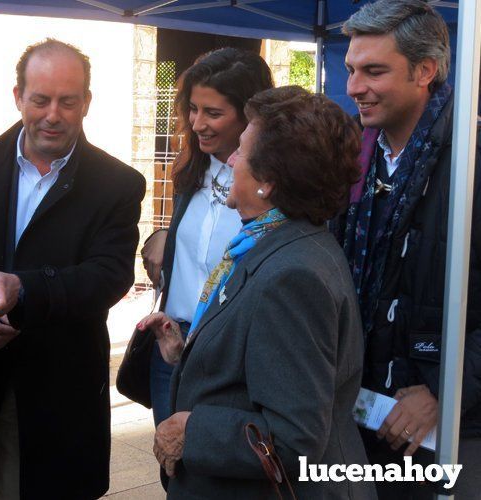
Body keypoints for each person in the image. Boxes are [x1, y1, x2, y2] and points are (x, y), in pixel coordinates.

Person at [137, 86, 375, 499]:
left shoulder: (293, 275)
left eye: (242, 152)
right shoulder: (275, 243)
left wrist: (191, 430)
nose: (229, 160)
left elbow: (292, 439)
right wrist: (193, 351)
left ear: (268, 181)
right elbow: (262, 361)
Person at [0, 39, 146, 499]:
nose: (53, 114)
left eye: (68, 101)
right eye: (40, 99)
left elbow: (109, 275)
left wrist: (24, 290)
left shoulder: (117, 184)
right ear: (18, 97)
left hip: (59, 382)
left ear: (86, 102)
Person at [338, 1, 481, 496]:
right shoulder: (346, 154)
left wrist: (447, 388)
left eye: (374, 71)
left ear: (425, 71)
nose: (355, 87)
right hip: (352, 420)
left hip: (443, 437)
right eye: (352, 70)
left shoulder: (470, 161)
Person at [139, 47, 273, 428]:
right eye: (193, 109)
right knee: (173, 467)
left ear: (250, 116)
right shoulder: (192, 170)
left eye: (213, 113)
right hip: (171, 345)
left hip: (229, 357)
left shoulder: (271, 187)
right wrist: (164, 235)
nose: (197, 123)